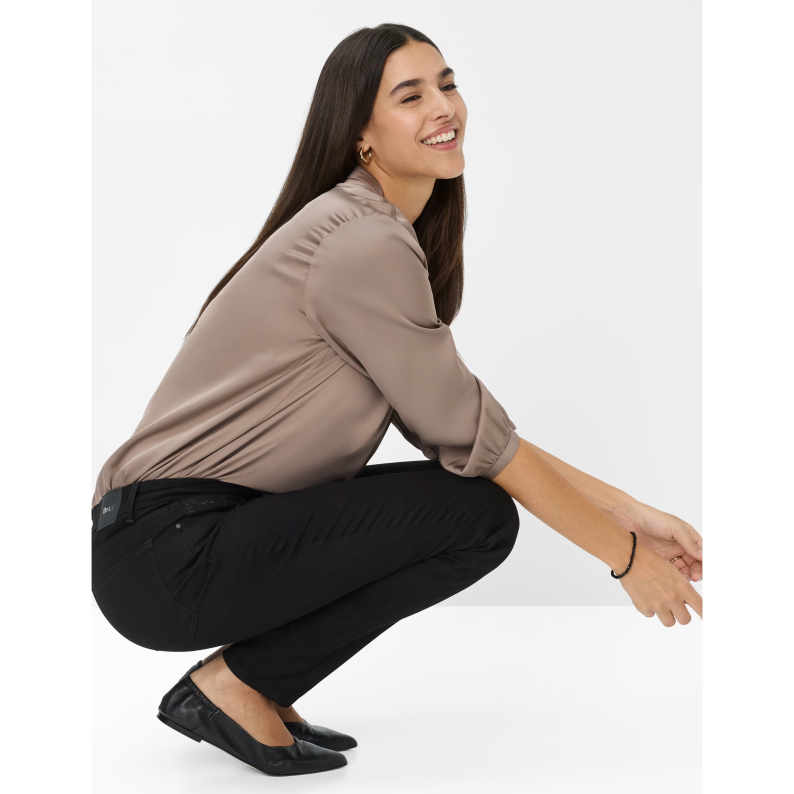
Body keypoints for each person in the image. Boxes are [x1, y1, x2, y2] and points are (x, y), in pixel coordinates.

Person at [91, 23, 704, 779]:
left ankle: (253, 683)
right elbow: (478, 440)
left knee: (469, 505)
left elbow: (472, 432)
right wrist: (626, 557)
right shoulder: (359, 241)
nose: (443, 106)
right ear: (361, 136)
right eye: (410, 96)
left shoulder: (371, 233)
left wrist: (628, 511)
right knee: (472, 516)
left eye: (447, 84)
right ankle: (235, 685)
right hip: (169, 550)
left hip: (185, 538)